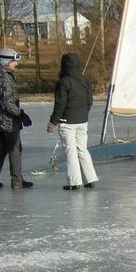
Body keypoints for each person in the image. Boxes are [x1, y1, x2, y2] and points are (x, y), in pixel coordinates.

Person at [47, 53, 98, 190]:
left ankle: (74, 182)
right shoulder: (84, 80)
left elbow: (60, 104)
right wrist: (83, 114)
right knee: (82, 149)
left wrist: (53, 122)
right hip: (82, 120)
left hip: (67, 121)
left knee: (71, 151)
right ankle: (91, 179)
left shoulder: (63, 82)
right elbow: (89, 101)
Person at [0, 46, 33, 189]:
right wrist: (20, 114)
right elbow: (6, 102)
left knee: (0, 148)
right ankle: (17, 180)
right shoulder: (4, 77)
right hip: (7, 120)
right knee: (14, 149)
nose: (16, 64)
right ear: (5, 62)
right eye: (14, 61)